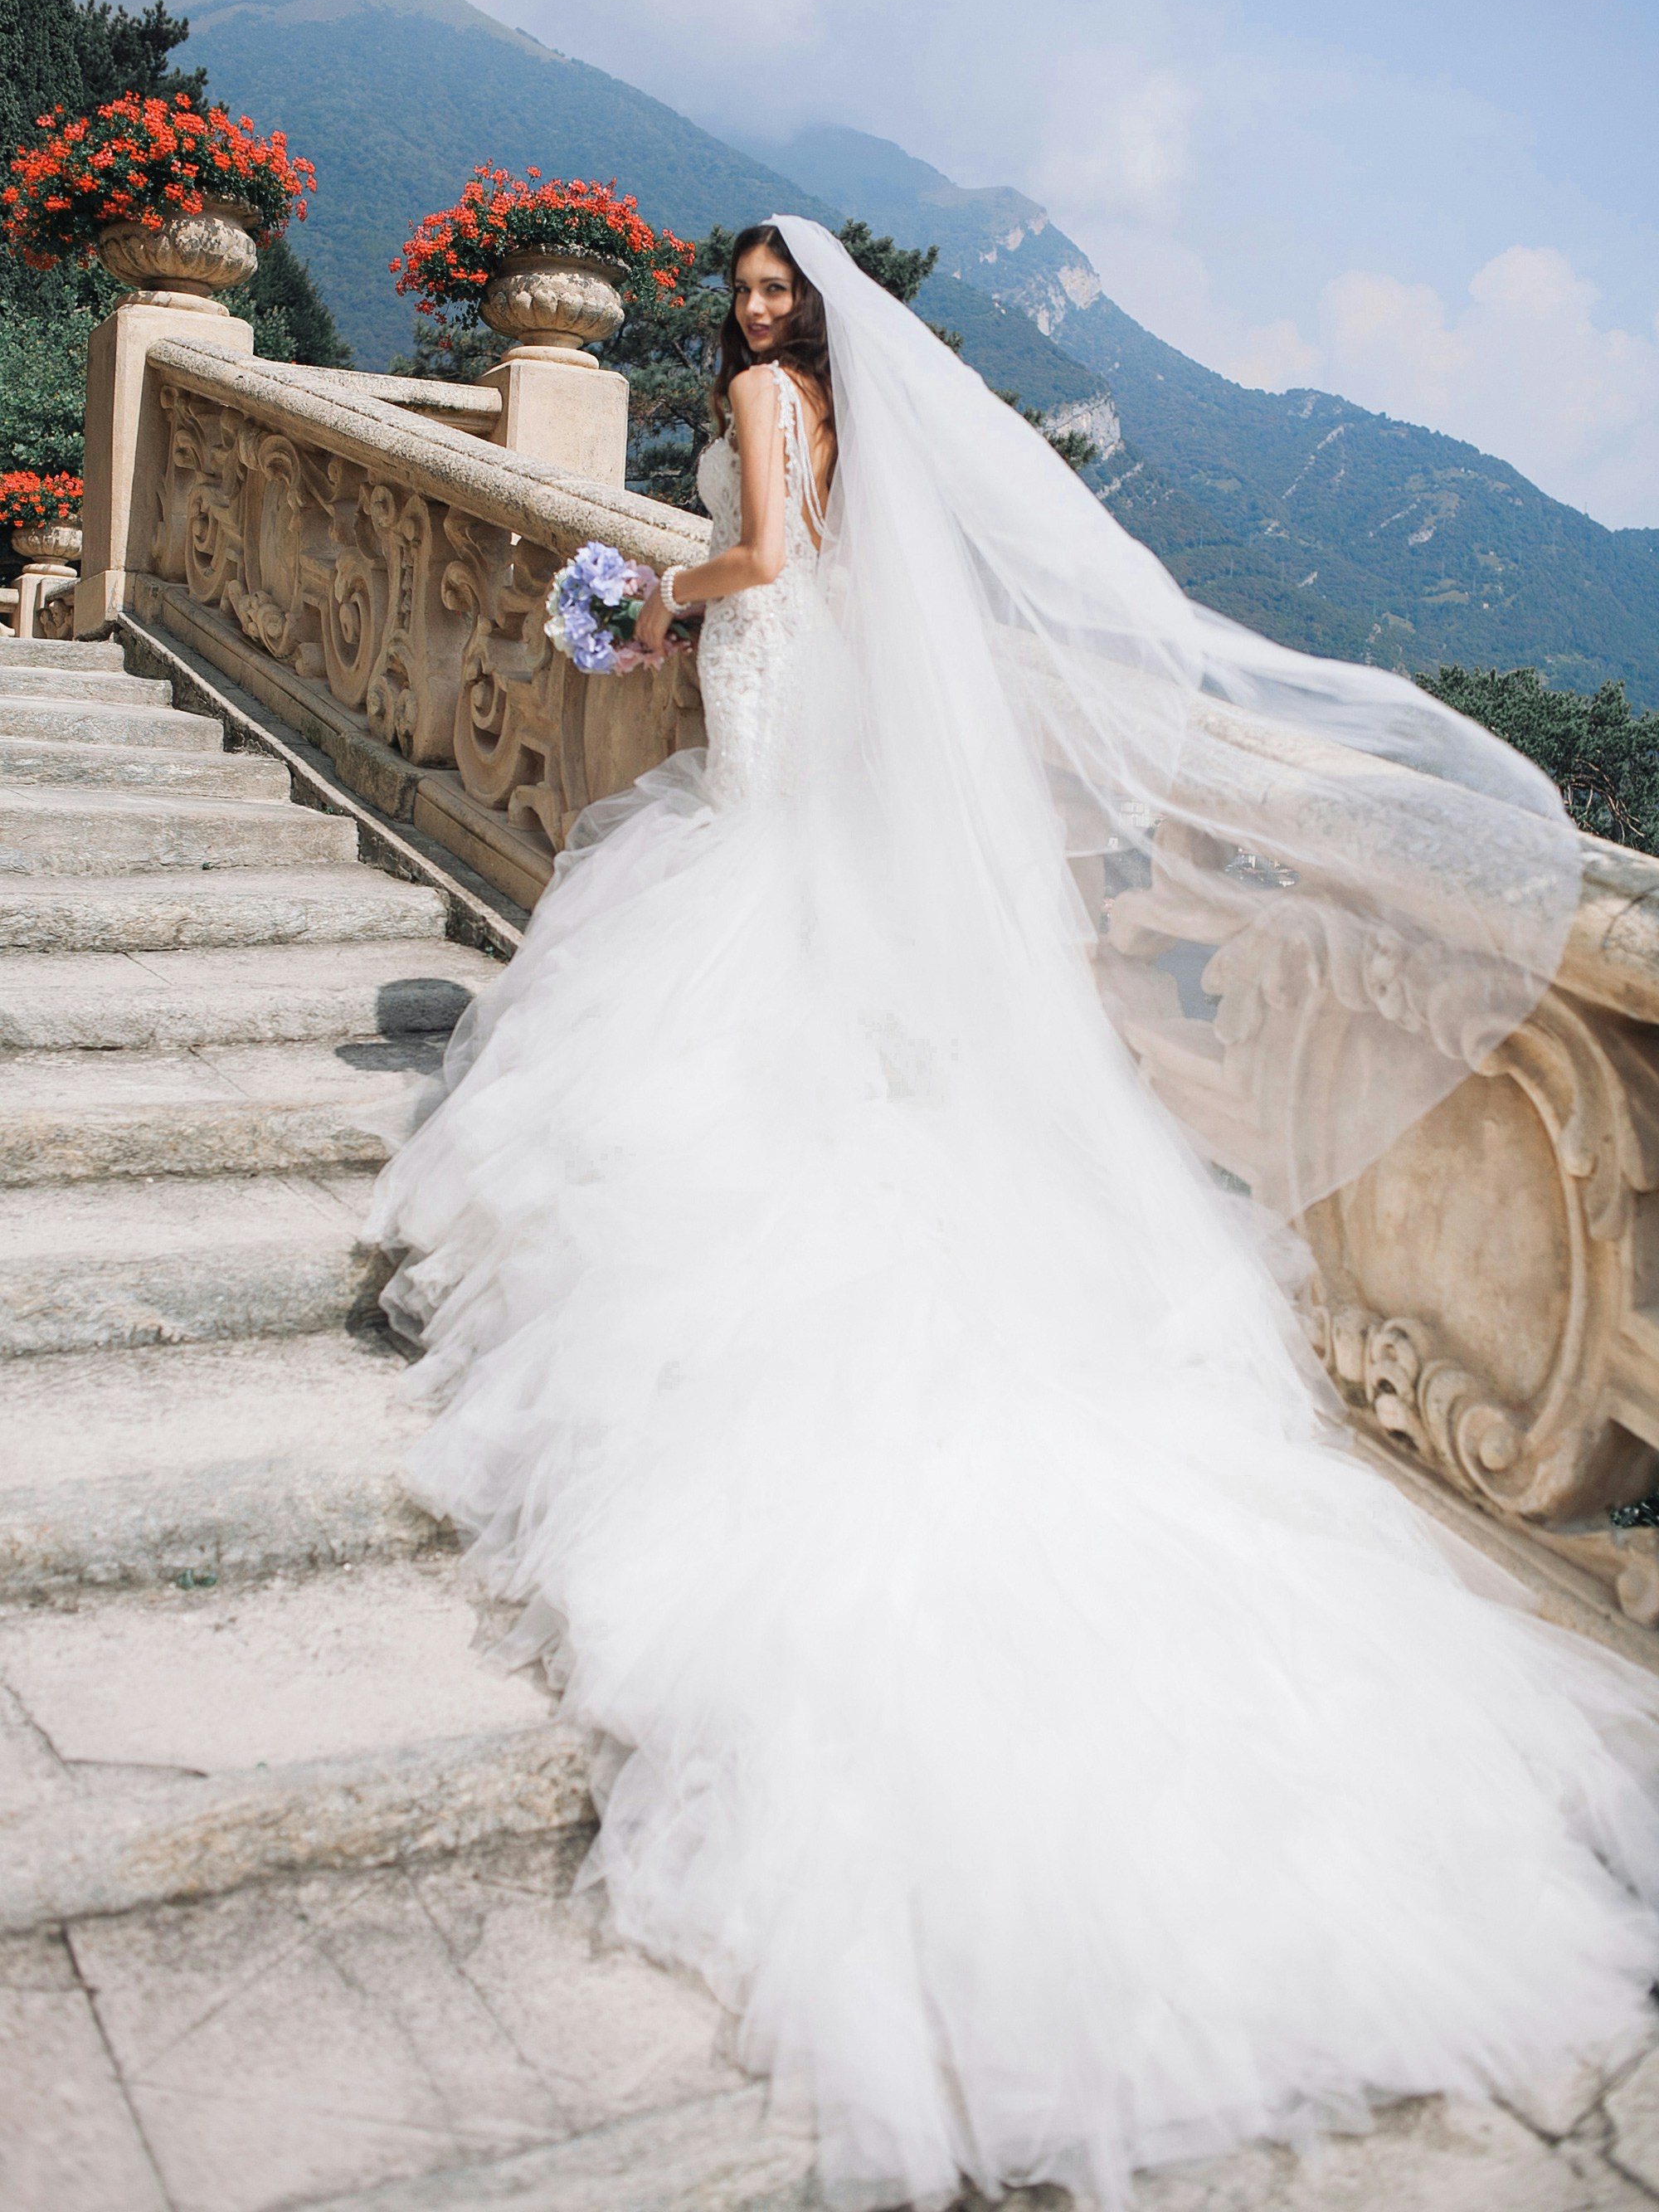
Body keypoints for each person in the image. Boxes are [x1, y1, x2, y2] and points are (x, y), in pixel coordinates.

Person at [370, 219, 1659, 2212]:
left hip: (773, 680)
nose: (767, 313)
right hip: (822, 697)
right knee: (789, 955)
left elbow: (773, 566)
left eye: (786, 293)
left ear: (807, 322)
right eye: (758, 291)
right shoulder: (832, 411)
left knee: (721, 923)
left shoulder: (745, 406)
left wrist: (645, 596)